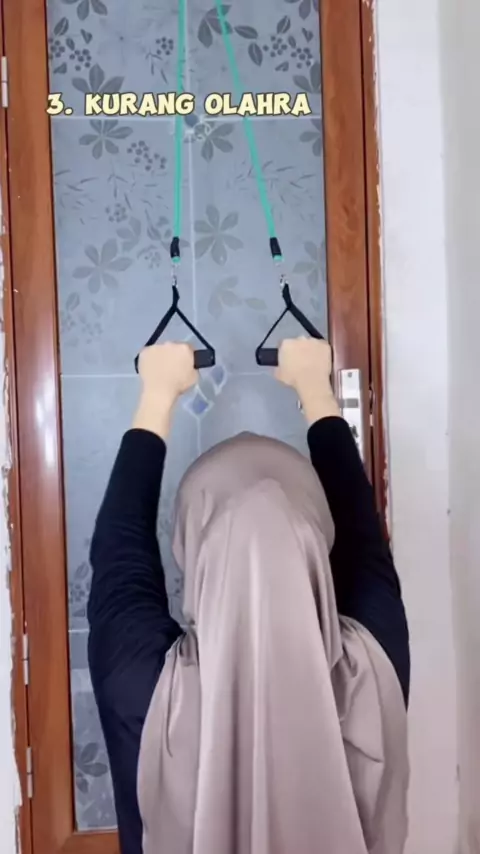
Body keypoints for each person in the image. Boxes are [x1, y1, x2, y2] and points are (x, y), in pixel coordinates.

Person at [88, 338, 410, 854]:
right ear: (318, 536)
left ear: (192, 545)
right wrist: (315, 388)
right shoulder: (373, 671)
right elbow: (362, 534)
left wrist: (159, 395)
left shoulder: (145, 690)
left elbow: (118, 555)